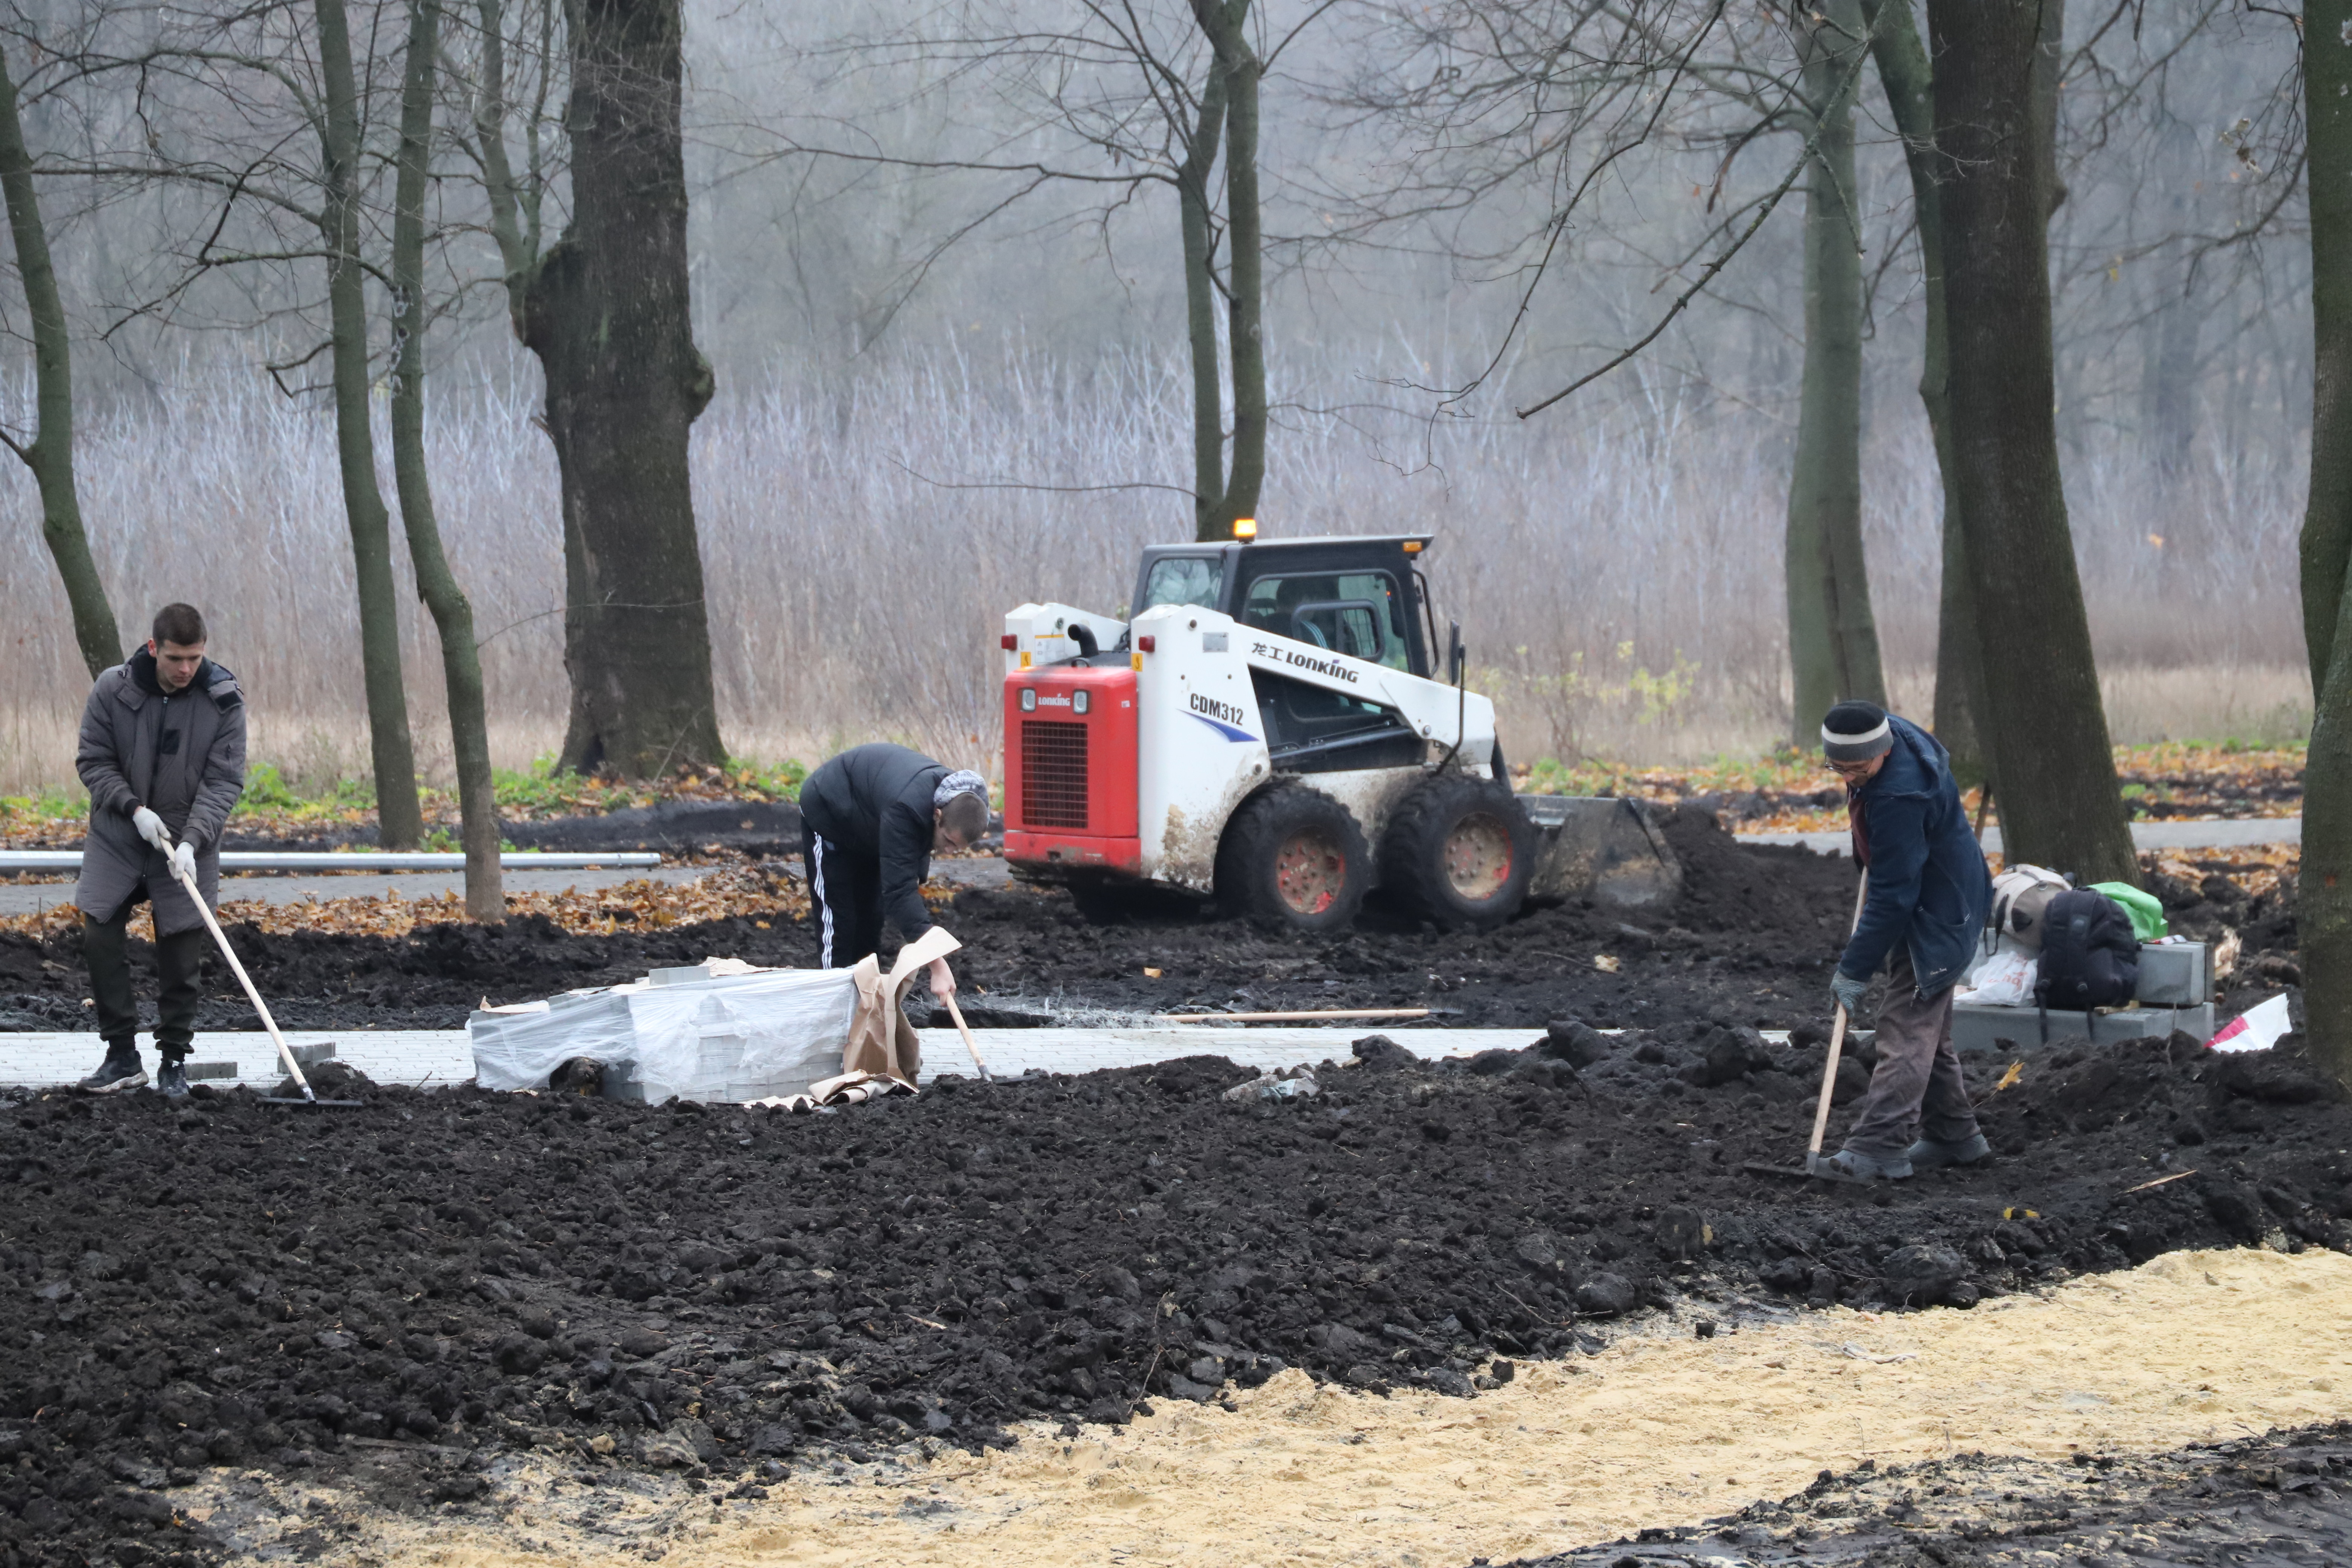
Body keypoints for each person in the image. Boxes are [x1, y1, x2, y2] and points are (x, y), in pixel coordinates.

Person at [1814, 700, 1994, 1182]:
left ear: (1884, 750)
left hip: (1937, 912)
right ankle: (1955, 1135)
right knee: (1925, 1027)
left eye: (1859, 766)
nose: (1851, 777)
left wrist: (1854, 968)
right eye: (1839, 766)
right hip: (1942, 894)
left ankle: (1879, 1147)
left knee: (1905, 1028)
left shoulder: (1898, 796)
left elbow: (1895, 896)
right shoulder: (1893, 735)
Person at [73, 603, 247, 1098]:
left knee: (181, 955)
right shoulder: (114, 688)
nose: (186, 669)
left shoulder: (224, 700)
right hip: (119, 834)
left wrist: (192, 840)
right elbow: (93, 759)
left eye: (195, 657)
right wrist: (133, 809)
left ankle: (173, 1062)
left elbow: (223, 782)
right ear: (154, 649)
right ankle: (122, 1057)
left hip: (189, 841)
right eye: (176, 658)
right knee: (100, 935)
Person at [798, 743, 989, 1002]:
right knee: (840, 922)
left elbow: (912, 858)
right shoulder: (907, 807)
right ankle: (833, 1010)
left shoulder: (955, 798)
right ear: (937, 815)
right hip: (830, 812)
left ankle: (864, 1015)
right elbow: (899, 893)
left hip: (870, 824)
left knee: (870, 923)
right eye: (949, 842)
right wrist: (938, 965)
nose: (949, 852)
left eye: (959, 848)